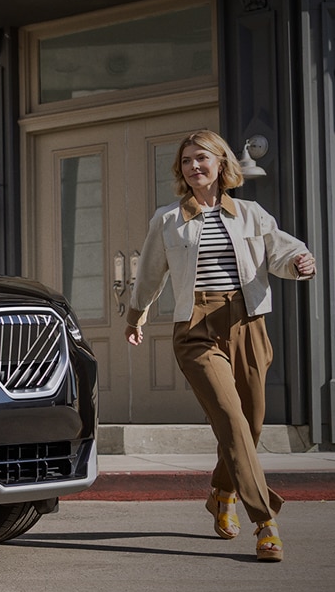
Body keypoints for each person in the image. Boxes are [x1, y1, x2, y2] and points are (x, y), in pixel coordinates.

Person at [124, 130, 315, 562]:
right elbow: (150, 274)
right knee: (230, 419)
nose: (194, 166)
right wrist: (136, 316)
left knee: (251, 424)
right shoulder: (168, 219)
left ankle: (222, 492)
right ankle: (265, 521)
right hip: (195, 328)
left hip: (248, 322)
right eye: (187, 160)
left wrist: (301, 263)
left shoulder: (250, 214)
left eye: (201, 158)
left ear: (221, 163)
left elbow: (283, 252)